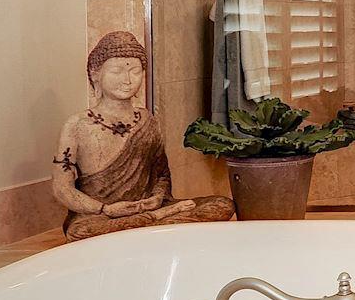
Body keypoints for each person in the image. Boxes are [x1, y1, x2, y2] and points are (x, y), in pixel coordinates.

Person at [51, 30, 235, 239]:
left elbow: (161, 175)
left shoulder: (147, 120)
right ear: (95, 73)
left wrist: (156, 198)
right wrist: (105, 209)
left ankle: (152, 221)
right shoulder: (77, 125)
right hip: (100, 217)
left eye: (135, 71)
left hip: (147, 209)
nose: (127, 80)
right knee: (83, 231)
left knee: (221, 205)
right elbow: (61, 188)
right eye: (117, 71)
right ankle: (156, 223)